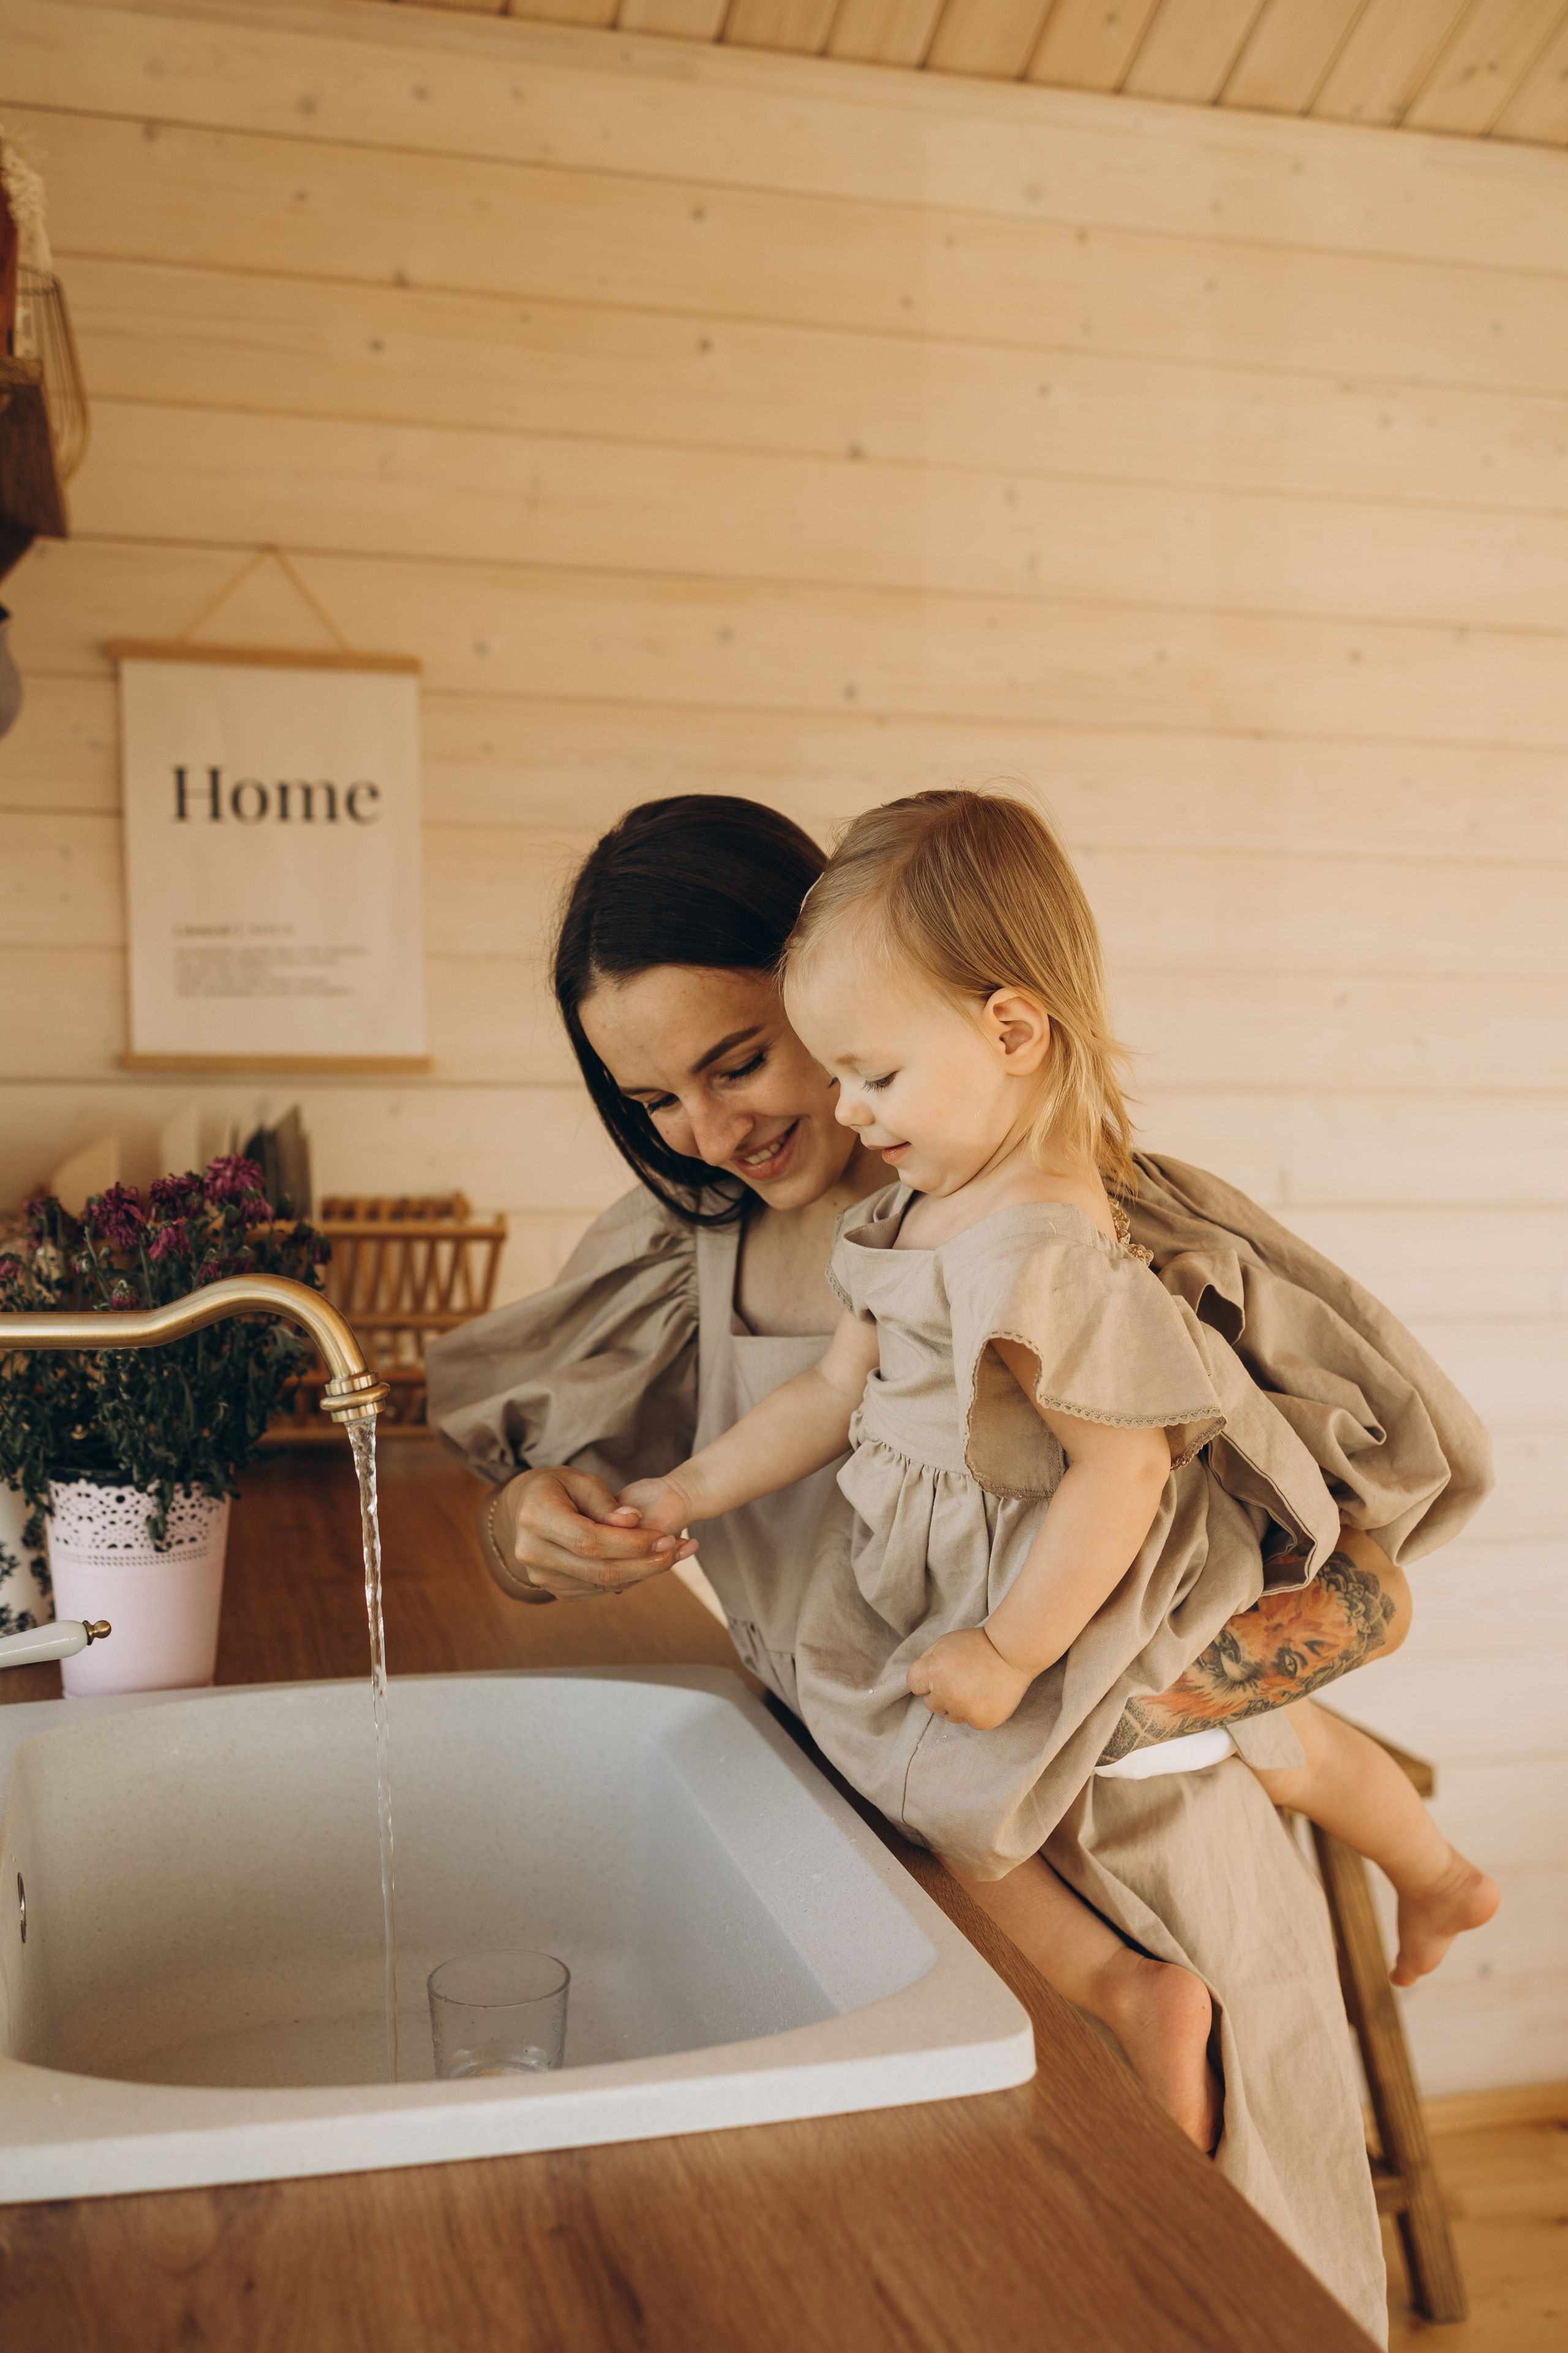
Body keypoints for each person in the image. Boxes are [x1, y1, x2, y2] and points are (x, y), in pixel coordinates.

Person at [426, 793, 1491, 2343]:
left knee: (1217, 2282)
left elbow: (1366, 1582)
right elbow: (506, 1477)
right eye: (650, 1100)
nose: (712, 1134)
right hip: (874, 1855)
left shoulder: (1089, 1233)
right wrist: (530, 1523)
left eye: (740, 1063)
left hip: (1129, 1865)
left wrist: (1103, 1693)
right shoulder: (689, 1253)